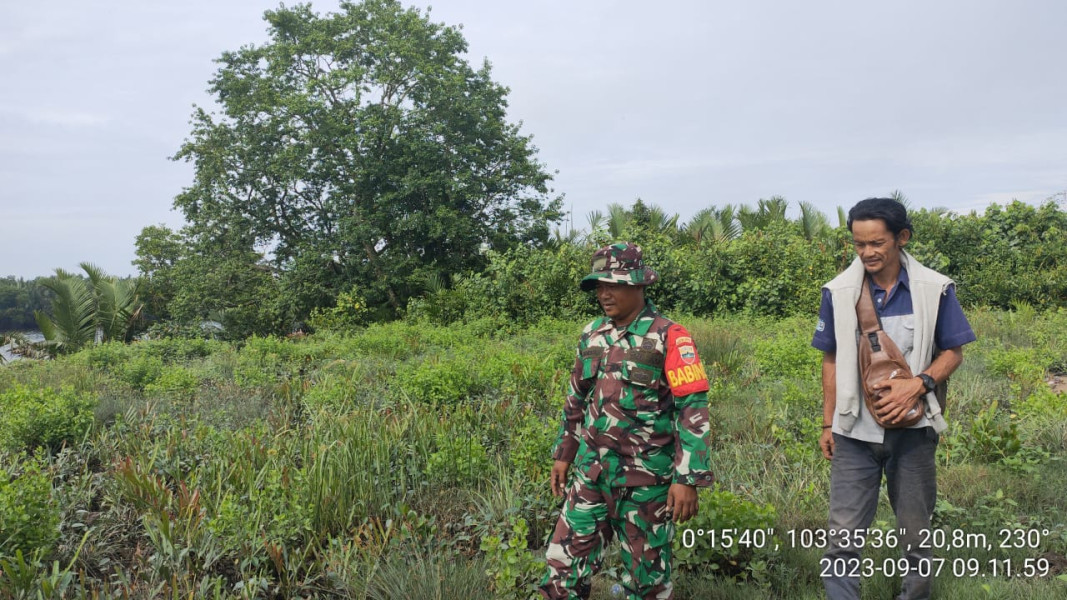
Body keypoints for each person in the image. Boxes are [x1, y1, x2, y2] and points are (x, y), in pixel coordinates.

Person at [813, 198, 976, 600]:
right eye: (858, 244)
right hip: (853, 434)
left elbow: (953, 352)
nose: (867, 252)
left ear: (901, 238)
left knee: (916, 537)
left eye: (876, 243)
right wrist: (827, 422)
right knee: (842, 538)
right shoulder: (838, 292)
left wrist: (917, 384)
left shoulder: (934, 289)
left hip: (914, 434)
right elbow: (831, 358)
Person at [539, 242, 715, 600]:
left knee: (646, 581)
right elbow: (576, 398)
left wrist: (688, 478)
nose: (604, 293)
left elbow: (692, 408)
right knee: (562, 566)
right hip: (592, 472)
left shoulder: (669, 336)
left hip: (645, 481)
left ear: (638, 284)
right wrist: (564, 453)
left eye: (613, 284)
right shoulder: (592, 334)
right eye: (599, 286)